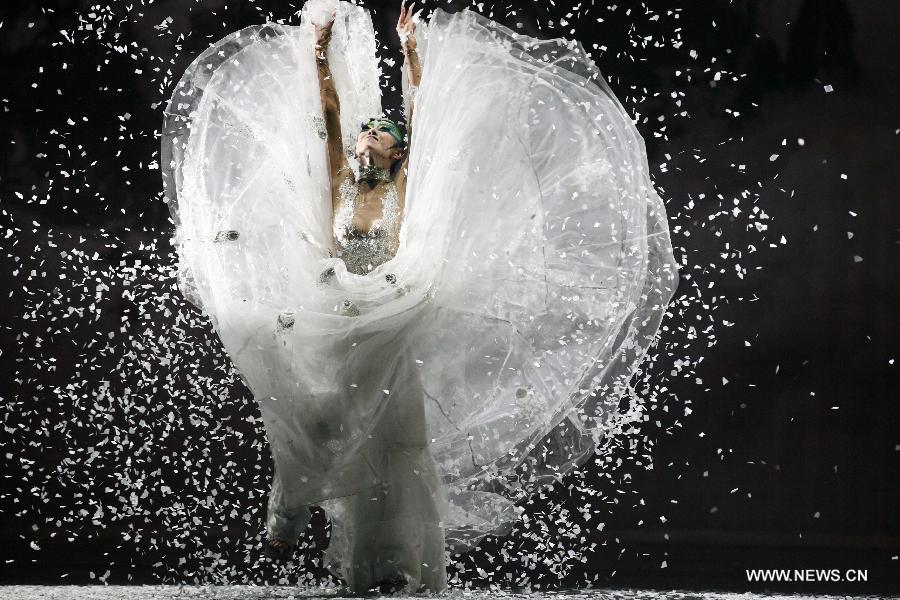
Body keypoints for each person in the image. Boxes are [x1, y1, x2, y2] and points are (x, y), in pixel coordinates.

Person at [161, 0, 679, 594]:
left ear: (397, 151)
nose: (366, 137)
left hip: (389, 310)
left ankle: (383, 562)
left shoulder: (402, 186)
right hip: (336, 309)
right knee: (316, 414)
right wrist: (318, 53)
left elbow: (424, 117)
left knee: (394, 440)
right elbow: (328, 117)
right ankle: (293, 503)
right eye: (366, 133)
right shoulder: (340, 184)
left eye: (379, 132)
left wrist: (411, 53)